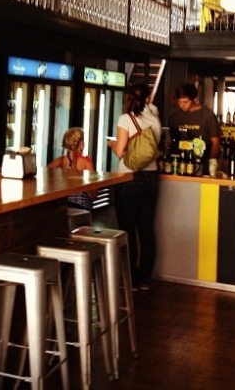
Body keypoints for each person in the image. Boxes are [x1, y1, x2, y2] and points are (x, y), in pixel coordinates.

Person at [108, 82, 162, 290]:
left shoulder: (126, 118)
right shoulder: (155, 118)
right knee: (146, 229)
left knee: (128, 229)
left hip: (128, 177)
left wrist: (112, 144)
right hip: (151, 177)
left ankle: (129, 278)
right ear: (148, 98)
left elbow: (120, 151)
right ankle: (144, 279)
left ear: (128, 98)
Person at [168, 82, 222, 174]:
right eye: (179, 102)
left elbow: (216, 142)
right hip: (180, 164)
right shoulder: (174, 116)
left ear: (194, 99)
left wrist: (210, 161)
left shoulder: (207, 115)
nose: (182, 105)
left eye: (185, 102)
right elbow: (171, 141)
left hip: (203, 163)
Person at [48, 127, 95, 210]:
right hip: (82, 206)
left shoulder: (60, 160)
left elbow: (47, 172)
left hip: (64, 204)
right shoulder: (86, 162)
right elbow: (93, 193)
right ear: (81, 143)